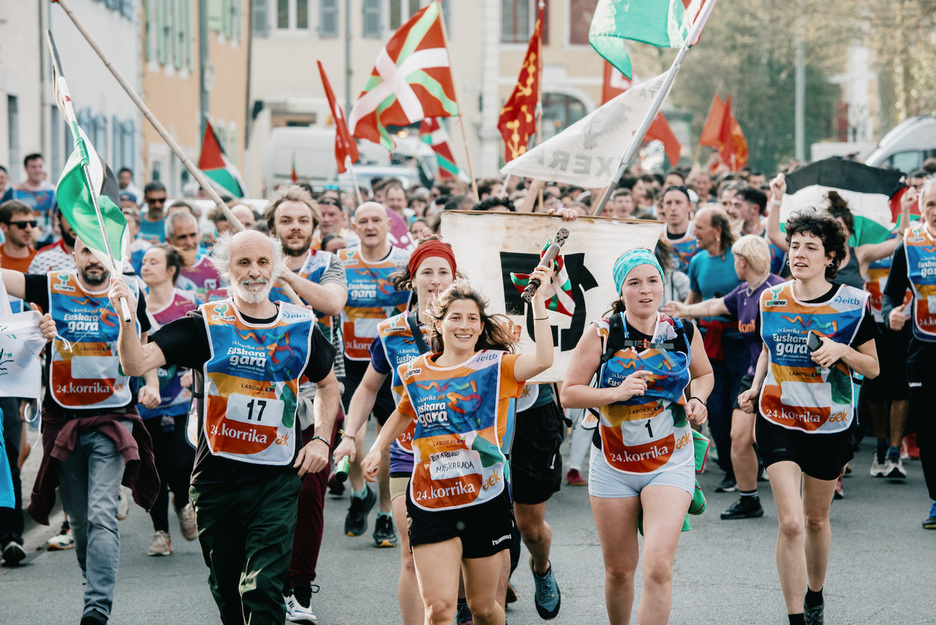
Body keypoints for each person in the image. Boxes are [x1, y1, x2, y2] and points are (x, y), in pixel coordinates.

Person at [109, 229, 341, 625]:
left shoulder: (300, 326)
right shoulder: (205, 323)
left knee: (263, 588)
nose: (254, 272)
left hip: (276, 478)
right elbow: (134, 365)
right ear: (226, 270)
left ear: (275, 268)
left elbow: (328, 385)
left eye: (263, 262)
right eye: (244, 263)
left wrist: (321, 438)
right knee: (227, 589)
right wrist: (126, 318)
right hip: (216, 479)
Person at [360, 269, 555, 625]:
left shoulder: (498, 366)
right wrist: (377, 448)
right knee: (439, 611)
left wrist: (539, 301)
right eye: (455, 317)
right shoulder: (416, 371)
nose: (464, 325)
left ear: (481, 327)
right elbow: (403, 412)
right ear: (440, 324)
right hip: (430, 500)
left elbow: (544, 360)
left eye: (472, 319)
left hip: (484, 499)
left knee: (482, 607)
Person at [1, 238, 160, 625]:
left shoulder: (130, 290)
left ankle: (97, 607)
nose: (93, 259)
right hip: (63, 422)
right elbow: (5, 279)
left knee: (102, 513)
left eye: (100, 251)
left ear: (114, 256)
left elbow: (146, 342)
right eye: (85, 251)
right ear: (73, 255)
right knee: (82, 521)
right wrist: (40, 334)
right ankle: (96, 582)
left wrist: (151, 383)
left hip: (113, 419)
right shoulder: (53, 286)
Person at [738, 209, 879, 625]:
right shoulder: (771, 297)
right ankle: (795, 616)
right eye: (795, 245)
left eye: (810, 248)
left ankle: (815, 594)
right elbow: (767, 347)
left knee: (816, 520)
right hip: (777, 418)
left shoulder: (854, 303)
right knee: (792, 522)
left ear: (831, 257)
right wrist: (755, 385)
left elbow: (873, 368)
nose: (798, 254)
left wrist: (843, 351)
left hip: (830, 424)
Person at [559, 249, 712, 625]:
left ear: (662, 284)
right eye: (635, 283)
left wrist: (697, 399)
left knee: (658, 567)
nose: (645, 290)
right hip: (614, 465)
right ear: (621, 290)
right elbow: (570, 392)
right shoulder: (603, 332)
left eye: (652, 281)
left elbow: (704, 374)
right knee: (620, 571)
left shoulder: (682, 330)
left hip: (669, 461)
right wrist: (615, 393)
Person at [334, 237, 456, 625]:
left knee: (465, 556)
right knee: (411, 553)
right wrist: (350, 435)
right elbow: (368, 388)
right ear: (412, 278)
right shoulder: (393, 332)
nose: (435, 281)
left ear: (456, 277)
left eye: (443, 272)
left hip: (463, 457)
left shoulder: (474, 324)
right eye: (427, 273)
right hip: (408, 454)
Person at [265, 185, 349, 624]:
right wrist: (265, 270)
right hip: (262, 391)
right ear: (273, 228)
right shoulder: (255, 262)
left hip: (318, 391)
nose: (294, 227)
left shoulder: (327, 264)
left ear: (315, 227)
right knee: (265, 491)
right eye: (285, 220)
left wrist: (287, 279)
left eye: (302, 220)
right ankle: (267, 581)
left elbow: (332, 303)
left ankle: (299, 588)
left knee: (310, 492)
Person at [664, 235, 784, 519]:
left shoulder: (779, 289)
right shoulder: (744, 292)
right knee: (738, 437)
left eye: (734, 259)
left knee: (767, 439)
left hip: (781, 377)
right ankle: (749, 499)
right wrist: (683, 311)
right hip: (754, 375)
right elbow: (714, 307)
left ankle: (797, 500)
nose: (733, 264)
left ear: (742, 261)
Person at [337, 203, 411, 547]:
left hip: (391, 360)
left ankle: (383, 512)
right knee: (350, 433)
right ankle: (357, 493)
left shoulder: (404, 261)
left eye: (376, 220)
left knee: (388, 438)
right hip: (352, 360)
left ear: (388, 224)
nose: (369, 226)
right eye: (362, 221)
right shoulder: (341, 261)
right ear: (353, 226)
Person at [137, 245, 199, 556]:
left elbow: (208, 346)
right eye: (143, 261)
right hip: (145, 403)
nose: (145, 266)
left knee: (181, 463)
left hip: (183, 402)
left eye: (153, 261)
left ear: (171, 269)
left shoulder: (189, 305)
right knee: (154, 469)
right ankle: (160, 532)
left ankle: (185, 501)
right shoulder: (136, 307)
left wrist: (195, 370)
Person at [882, 179, 936, 529]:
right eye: (931, 205)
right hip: (923, 349)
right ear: (921, 207)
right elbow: (891, 294)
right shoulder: (910, 243)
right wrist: (891, 313)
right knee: (929, 429)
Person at [687, 206, 743, 493]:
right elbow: (693, 298)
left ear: (717, 230)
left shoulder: (739, 256)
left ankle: (746, 464)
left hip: (743, 344)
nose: (693, 232)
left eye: (698, 227)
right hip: (710, 343)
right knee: (717, 411)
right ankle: (731, 470)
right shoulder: (697, 261)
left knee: (739, 407)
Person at [1, 154, 56, 245]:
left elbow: (59, 214)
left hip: (47, 240)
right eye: (33, 167)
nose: (37, 170)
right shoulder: (15, 190)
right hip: (20, 242)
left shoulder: (52, 191)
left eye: (40, 166)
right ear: (26, 169)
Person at [166, 210, 221, 298]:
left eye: (193, 235)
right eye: (182, 237)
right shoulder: (163, 269)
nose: (190, 242)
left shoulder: (215, 266)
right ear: (169, 241)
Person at [659, 186, 699, 273]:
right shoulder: (656, 237)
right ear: (662, 207)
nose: (673, 208)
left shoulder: (699, 233)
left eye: (678, 202)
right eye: (668, 203)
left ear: (689, 206)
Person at [0, 200, 38, 273]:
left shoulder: (39, 260)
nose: (28, 229)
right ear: (3, 227)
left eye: (32, 224)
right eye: (21, 224)